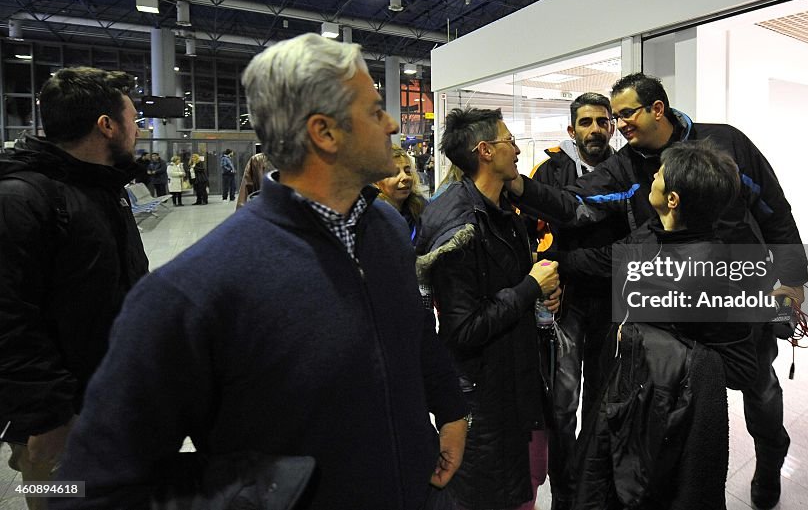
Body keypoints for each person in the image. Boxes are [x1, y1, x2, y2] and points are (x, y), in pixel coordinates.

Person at [53, 34, 469, 509]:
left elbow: (412, 330)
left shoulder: (387, 227)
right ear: (324, 132)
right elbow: (88, 488)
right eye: (375, 111)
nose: (392, 123)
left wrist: (451, 410)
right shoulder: (192, 291)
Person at [506, 73, 807, 510]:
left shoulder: (728, 143)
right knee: (688, 399)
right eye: (615, 116)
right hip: (671, 302)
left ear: (657, 109)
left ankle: (769, 459)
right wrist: (519, 188)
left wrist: (792, 279)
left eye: (626, 114)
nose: (617, 124)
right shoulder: (626, 165)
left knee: (759, 385)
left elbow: (774, 210)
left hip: (737, 291)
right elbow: (575, 203)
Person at [574, 140, 759, 510]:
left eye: (658, 175)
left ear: (672, 199)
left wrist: (654, 343)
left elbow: (742, 368)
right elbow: (601, 261)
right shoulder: (651, 234)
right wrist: (541, 264)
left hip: (672, 422)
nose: (652, 178)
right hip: (628, 400)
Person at [0, 67, 149, 510]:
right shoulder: (22, 200)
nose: (138, 130)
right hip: (59, 421)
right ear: (107, 126)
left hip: (109, 400)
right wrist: (46, 419)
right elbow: (7, 322)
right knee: (59, 501)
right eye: (134, 119)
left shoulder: (104, 189)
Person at [417, 108, 562, 510]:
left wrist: (542, 292)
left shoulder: (501, 213)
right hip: (485, 399)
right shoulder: (461, 226)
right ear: (484, 151)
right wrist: (531, 287)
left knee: (523, 486)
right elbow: (462, 330)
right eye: (508, 140)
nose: (516, 149)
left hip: (514, 384)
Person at [527, 92, 626, 509]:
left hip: (611, 304)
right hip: (563, 305)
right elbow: (530, 240)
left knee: (602, 403)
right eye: (586, 122)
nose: (595, 130)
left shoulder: (628, 171)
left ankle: (591, 487)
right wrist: (544, 285)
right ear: (572, 129)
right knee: (563, 405)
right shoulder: (548, 172)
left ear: (613, 126)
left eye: (603, 121)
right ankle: (565, 493)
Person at [376, 145, 427, 238]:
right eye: (395, 173)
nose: (405, 177)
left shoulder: (423, 208)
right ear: (376, 181)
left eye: (408, 171)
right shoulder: (371, 218)